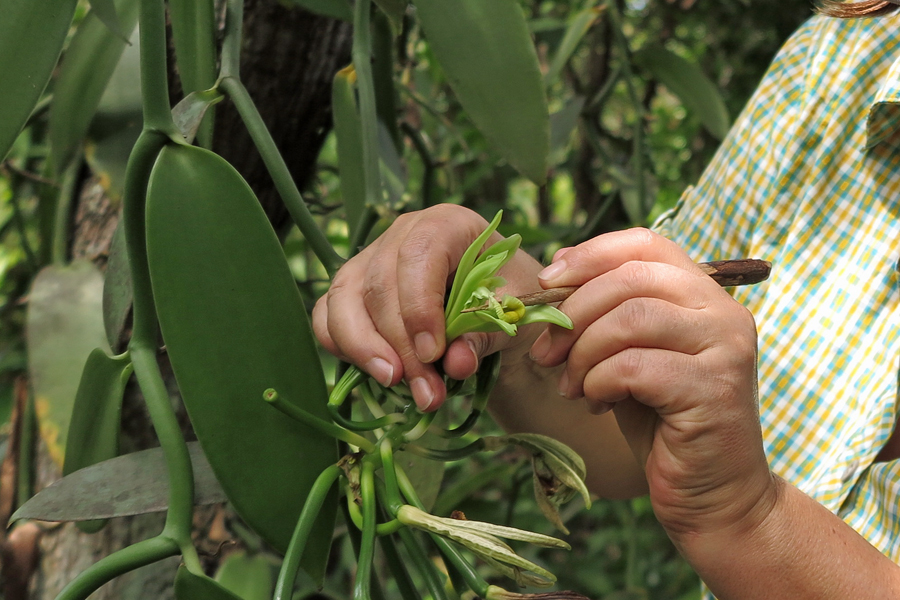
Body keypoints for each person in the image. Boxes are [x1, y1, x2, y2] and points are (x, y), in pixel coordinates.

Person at [313, 4, 900, 598]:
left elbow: (722, 492)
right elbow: (641, 434)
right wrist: (517, 339)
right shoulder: (840, 57)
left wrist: (746, 518)